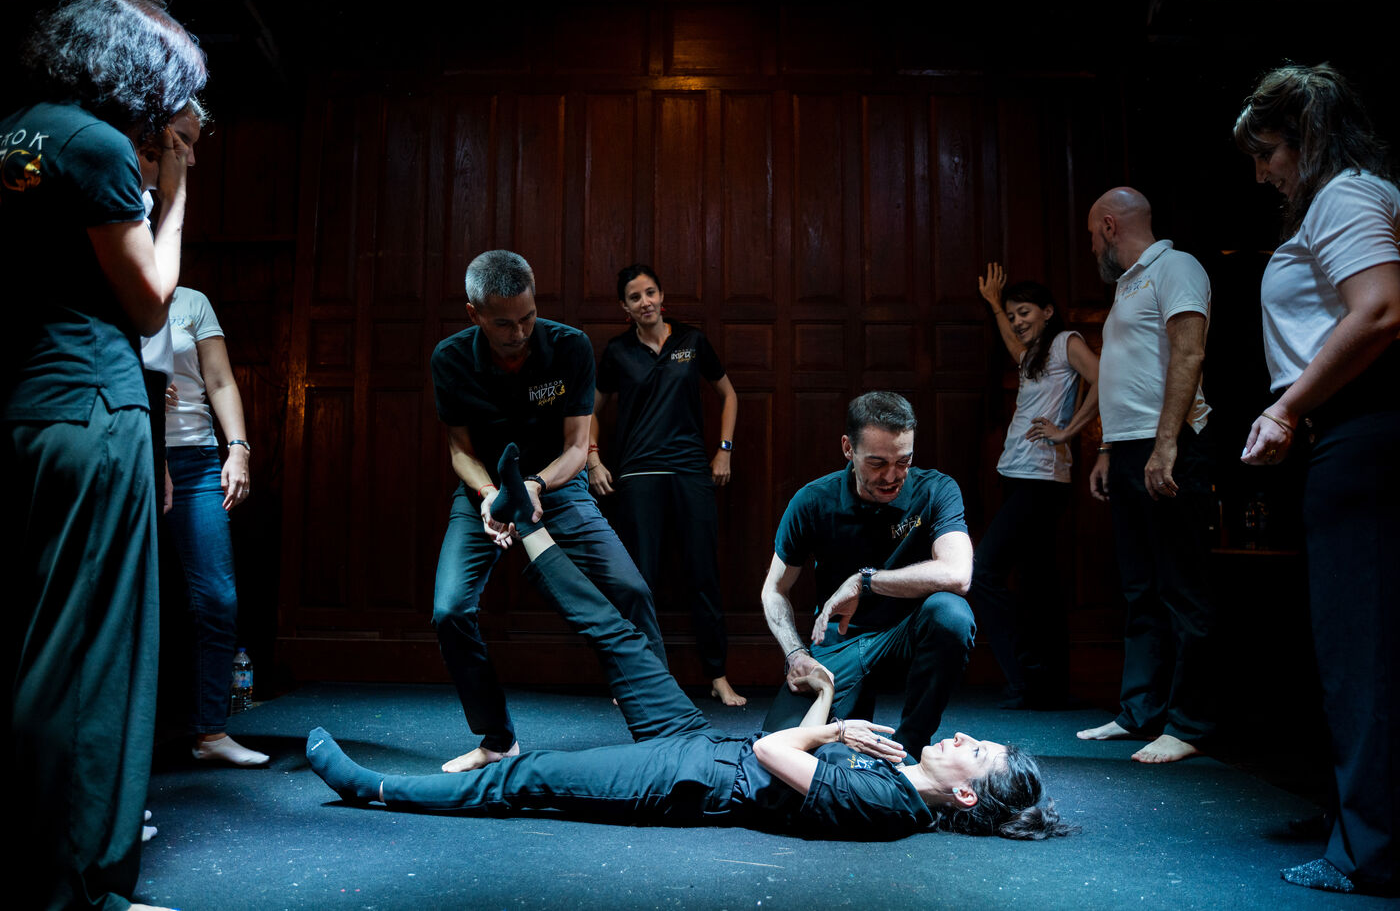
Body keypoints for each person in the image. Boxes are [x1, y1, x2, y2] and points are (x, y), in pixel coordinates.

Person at [307, 456, 1073, 842]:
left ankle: (377, 788)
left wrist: (835, 725)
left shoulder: (891, 805)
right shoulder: (897, 776)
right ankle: (528, 521)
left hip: (685, 781)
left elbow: (774, 752)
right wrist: (824, 694)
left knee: (529, 776)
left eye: (977, 752)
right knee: (619, 635)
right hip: (701, 743)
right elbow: (793, 750)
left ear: (966, 794)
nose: (963, 737)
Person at [1, 0, 205, 911]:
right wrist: (176, 194)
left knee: (37, 652)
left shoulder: (14, 133)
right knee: (95, 663)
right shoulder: (96, 145)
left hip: (25, 406)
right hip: (92, 404)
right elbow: (152, 304)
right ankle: (83, 890)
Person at [1235, 62, 1400, 895]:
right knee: (1353, 643)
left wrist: (1288, 407)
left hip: (1362, 427)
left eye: (1268, 152)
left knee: (1359, 650)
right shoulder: (1350, 196)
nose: (1264, 172)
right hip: (1351, 431)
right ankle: (1356, 815)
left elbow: (1381, 308)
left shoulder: (1344, 194)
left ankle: (1369, 850)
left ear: (1306, 138)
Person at [430, 250, 667, 774]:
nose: (519, 333)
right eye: (503, 324)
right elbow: (460, 450)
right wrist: (490, 495)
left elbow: (578, 446)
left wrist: (536, 485)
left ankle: (664, 730)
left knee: (631, 590)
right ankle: (497, 739)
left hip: (557, 485)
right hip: (486, 492)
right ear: (474, 314)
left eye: (528, 317)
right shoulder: (450, 358)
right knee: (450, 611)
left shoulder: (569, 346)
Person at [1075, 187, 1216, 765]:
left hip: (1170, 445)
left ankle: (1189, 723)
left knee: (1182, 589)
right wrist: (1108, 448)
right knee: (1140, 589)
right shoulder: (1126, 285)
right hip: (1131, 448)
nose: (1092, 248)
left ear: (1110, 226)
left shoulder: (1176, 267)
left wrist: (1166, 445)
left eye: (1092, 235)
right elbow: (1126, 373)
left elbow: (1189, 355)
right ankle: (1140, 712)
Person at [759, 391, 976, 757]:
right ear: (848, 448)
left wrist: (865, 581)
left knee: (951, 614)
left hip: (907, 639)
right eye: (877, 463)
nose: (892, 476)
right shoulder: (813, 501)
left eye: (903, 461)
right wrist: (795, 654)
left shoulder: (936, 489)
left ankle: (909, 750)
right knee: (778, 751)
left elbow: (958, 574)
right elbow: (774, 591)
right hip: (841, 644)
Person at [590, 263, 744, 706]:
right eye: (635, 297)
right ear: (624, 307)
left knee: (703, 574)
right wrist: (593, 459)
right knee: (639, 580)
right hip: (638, 474)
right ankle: (638, 678)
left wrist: (724, 449)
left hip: (690, 471)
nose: (645, 302)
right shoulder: (618, 351)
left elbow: (729, 395)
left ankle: (717, 676)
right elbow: (591, 411)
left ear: (662, 296)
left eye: (650, 293)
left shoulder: (691, 342)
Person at [970, 263, 1100, 710]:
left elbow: (1104, 377)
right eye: (1013, 315)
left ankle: (1026, 677)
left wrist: (1069, 432)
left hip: (1041, 480)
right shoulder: (1033, 354)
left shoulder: (1066, 342)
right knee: (1038, 582)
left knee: (984, 571)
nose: (1018, 321)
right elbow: (1012, 342)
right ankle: (1047, 686)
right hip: (1018, 475)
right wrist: (995, 305)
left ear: (1048, 311)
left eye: (1024, 312)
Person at [165, 270, 268, 766]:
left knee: (217, 598)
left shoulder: (191, 301)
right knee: (134, 601)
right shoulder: (111, 292)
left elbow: (221, 380)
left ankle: (211, 733)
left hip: (197, 459)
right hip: (131, 451)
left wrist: (238, 449)